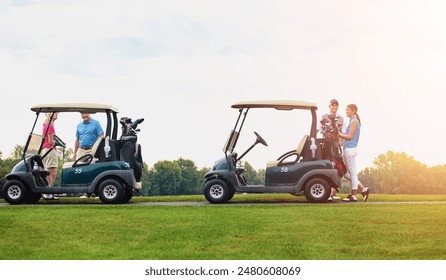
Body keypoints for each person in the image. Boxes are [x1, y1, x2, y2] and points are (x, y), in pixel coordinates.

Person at [338, 104, 369, 202]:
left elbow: (350, 136)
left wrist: (338, 134)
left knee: (352, 173)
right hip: (347, 149)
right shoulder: (352, 121)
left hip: (350, 150)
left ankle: (354, 196)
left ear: (353, 111)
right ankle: (363, 189)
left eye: (348, 110)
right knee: (346, 173)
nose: (346, 111)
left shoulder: (354, 121)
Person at [318, 99, 344, 201]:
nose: (334, 108)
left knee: (336, 167)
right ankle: (327, 191)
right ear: (330, 106)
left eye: (336, 106)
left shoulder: (341, 118)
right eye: (333, 106)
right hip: (326, 144)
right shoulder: (324, 117)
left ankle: (333, 192)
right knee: (327, 166)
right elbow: (319, 129)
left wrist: (341, 143)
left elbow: (343, 132)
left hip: (336, 145)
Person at [74, 112, 104, 198]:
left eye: (85, 113)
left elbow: (101, 136)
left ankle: (96, 192)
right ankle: (85, 192)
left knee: (93, 170)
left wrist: (97, 148)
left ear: (89, 113)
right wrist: (75, 153)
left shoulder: (96, 123)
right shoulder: (79, 125)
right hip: (81, 150)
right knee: (81, 171)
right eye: (82, 114)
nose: (84, 115)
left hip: (92, 150)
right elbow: (77, 140)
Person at [41, 112, 59, 200]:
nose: (56, 114)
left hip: (46, 150)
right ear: (49, 115)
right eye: (54, 113)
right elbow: (51, 141)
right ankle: (48, 193)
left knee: (49, 171)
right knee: (52, 172)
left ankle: (48, 192)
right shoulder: (50, 126)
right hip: (50, 150)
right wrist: (59, 143)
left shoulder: (47, 125)